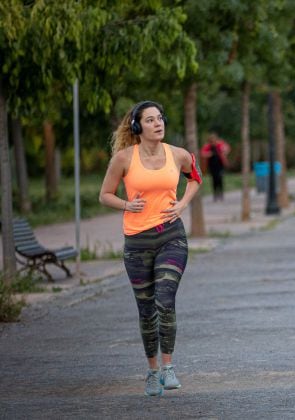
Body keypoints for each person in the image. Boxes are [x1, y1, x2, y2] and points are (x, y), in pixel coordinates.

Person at [99, 100, 202, 396]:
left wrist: (182, 204)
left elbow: (195, 179)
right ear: (137, 127)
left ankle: (169, 368)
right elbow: (105, 195)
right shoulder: (123, 159)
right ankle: (152, 370)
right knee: (146, 310)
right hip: (137, 241)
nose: (158, 124)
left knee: (165, 299)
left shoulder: (178, 154)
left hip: (171, 236)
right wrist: (126, 204)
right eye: (150, 120)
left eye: (160, 118)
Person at [201, 133, 230, 201]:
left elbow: (227, 148)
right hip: (212, 166)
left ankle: (221, 194)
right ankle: (215, 195)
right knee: (214, 180)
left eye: (214, 140)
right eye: (211, 141)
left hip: (220, 165)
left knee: (220, 179)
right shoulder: (208, 146)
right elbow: (202, 153)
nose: (213, 142)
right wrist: (209, 154)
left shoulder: (220, 144)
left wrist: (224, 152)